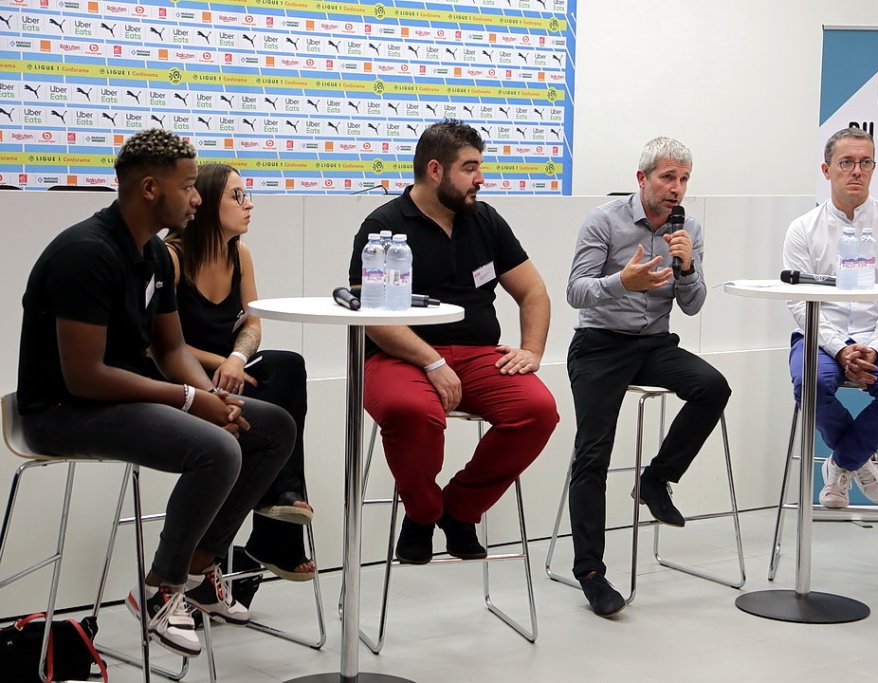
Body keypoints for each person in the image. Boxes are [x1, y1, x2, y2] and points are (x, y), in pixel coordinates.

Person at [15, 129, 295, 658]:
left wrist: (216, 396)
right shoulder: (86, 254)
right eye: (188, 187)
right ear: (149, 188)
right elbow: (84, 377)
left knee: (271, 425)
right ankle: (162, 589)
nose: (197, 199)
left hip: (123, 397)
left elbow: (170, 349)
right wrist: (192, 403)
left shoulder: (152, 254)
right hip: (63, 410)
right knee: (216, 449)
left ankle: (200, 564)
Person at [347, 119, 559, 566]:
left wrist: (533, 349)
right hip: (399, 354)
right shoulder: (383, 227)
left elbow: (533, 291)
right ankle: (421, 515)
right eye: (470, 168)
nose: (481, 178)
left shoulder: (484, 219)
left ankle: (459, 510)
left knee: (537, 411)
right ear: (436, 170)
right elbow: (372, 319)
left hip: (477, 353)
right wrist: (430, 361)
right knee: (411, 412)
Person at [565, 137, 731, 617]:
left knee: (712, 387)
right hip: (599, 346)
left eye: (683, 180)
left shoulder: (688, 228)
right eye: (667, 178)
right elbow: (576, 292)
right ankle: (591, 574)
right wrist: (623, 281)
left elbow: (694, 305)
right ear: (642, 179)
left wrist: (687, 265)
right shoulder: (604, 220)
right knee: (594, 453)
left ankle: (656, 479)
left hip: (654, 344)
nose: (677, 189)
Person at [165, 162, 316, 582]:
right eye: (237, 196)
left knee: (288, 365)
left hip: (234, 371)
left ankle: (277, 511)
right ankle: (273, 539)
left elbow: (252, 322)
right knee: (267, 428)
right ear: (209, 202)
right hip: (185, 378)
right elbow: (160, 344)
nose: (248, 205)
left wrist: (236, 357)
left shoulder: (239, 254)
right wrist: (221, 362)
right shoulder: (172, 257)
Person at [783, 127, 878, 509]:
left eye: (865, 162)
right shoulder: (802, 230)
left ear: (874, 168)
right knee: (810, 381)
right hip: (819, 336)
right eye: (846, 162)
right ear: (827, 170)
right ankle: (858, 457)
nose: (856, 171)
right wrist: (841, 350)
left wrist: (872, 349)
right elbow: (799, 302)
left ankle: (843, 462)